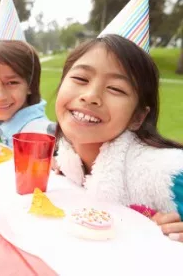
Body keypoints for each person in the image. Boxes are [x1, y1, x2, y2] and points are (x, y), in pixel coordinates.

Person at [53, 34, 183, 242]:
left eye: (115, 88)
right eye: (80, 79)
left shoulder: (167, 173)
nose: (91, 96)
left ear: (138, 117)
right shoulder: (65, 162)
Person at [0, 40, 54, 147]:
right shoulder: (0, 119)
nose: (0, 97)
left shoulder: (40, 136)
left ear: (30, 85)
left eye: (12, 83)